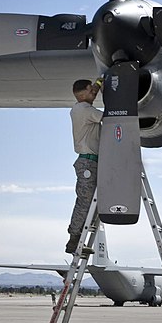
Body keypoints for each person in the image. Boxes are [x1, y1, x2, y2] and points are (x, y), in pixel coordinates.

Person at [65, 77, 104, 254]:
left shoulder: (79, 108)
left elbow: (92, 89)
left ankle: (80, 240)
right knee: (85, 202)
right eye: (91, 90)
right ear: (83, 93)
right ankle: (74, 240)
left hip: (91, 161)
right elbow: (109, 116)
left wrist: (99, 83)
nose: (94, 93)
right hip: (88, 163)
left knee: (92, 203)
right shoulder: (85, 110)